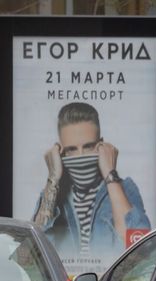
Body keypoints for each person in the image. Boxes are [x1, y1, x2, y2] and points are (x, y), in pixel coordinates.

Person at [32, 102, 149, 258]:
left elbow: (141, 253)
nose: (80, 156)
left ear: (101, 146)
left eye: (88, 146)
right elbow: (29, 261)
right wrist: (53, 179)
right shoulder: (50, 195)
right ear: (61, 153)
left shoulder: (126, 189)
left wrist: (110, 174)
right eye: (71, 149)